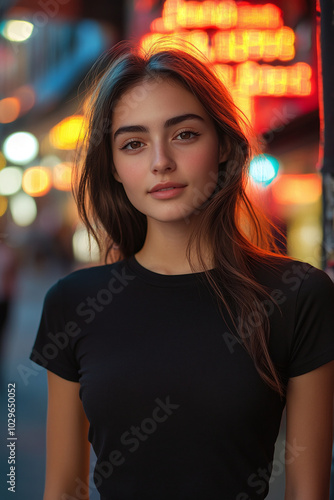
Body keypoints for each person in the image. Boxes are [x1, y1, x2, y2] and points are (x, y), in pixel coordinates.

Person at [30, 40, 334, 500]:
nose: (160, 162)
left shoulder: (297, 294)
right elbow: (62, 491)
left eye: (184, 134)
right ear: (113, 166)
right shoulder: (73, 303)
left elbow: (307, 493)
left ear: (226, 147)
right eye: (133, 143)